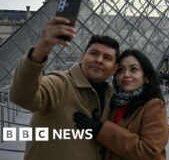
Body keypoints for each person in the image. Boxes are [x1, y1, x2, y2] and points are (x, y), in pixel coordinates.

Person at [10, 17, 120, 160]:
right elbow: (22, 96)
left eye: (107, 57)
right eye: (94, 53)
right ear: (82, 57)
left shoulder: (112, 98)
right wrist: (40, 51)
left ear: (115, 68)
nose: (99, 60)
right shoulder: (59, 83)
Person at [74, 49, 169, 159]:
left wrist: (101, 130)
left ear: (146, 77)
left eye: (134, 69)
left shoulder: (153, 105)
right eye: (120, 70)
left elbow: (148, 150)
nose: (126, 75)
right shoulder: (113, 102)